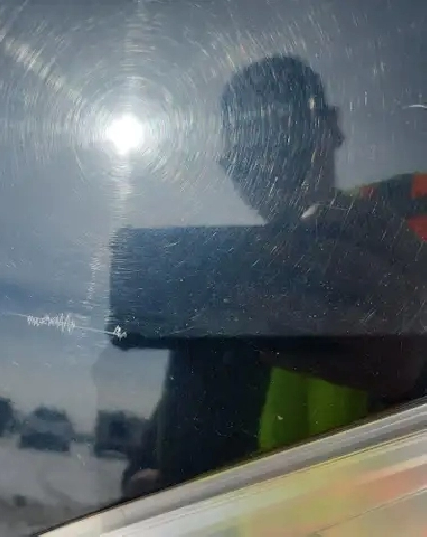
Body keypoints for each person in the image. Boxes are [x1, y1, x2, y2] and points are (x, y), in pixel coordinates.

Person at [119, 54, 427, 499]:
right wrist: (145, 480)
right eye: (245, 159)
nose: (267, 170)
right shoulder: (226, 281)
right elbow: (171, 442)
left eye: (284, 141)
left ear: (331, 127)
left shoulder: (411, 218)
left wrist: (416, 374)